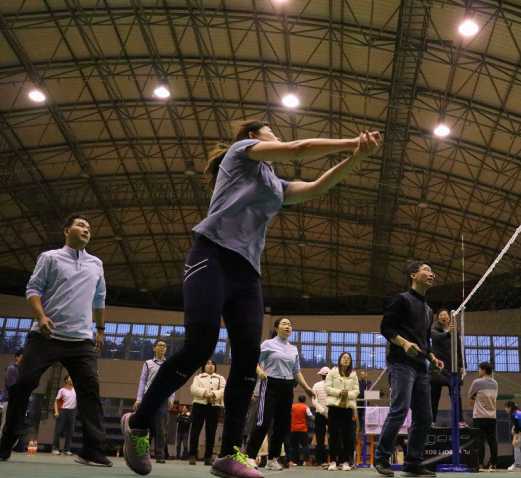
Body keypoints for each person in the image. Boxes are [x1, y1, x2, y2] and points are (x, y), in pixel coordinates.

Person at [120, 121, 381, 478]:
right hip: (210, 256)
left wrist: (357, 157)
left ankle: (229, 454)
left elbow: (317, 187)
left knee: (247, 361)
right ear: (253, 137)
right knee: (199, 346)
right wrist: (352, 141)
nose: (278, 135)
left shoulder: (277, 185)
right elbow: (297, 149)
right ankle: (138, 424)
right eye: (272, 131)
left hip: (247, 273)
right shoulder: (240, 153)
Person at [0, 214, 111, 467]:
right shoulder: (49, 257)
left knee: (90, 390)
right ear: (66, 230)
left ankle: (92, 450)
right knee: (23, 383)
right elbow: (33, 289)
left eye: (89, 227)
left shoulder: (96, 264)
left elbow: (99, 298)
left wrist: (100, 329)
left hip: (81, 340)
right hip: (45, 336)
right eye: (81, 225)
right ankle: (7, 439)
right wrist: (41, 316)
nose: (86, 230)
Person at [373, 260, 444, 478]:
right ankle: (382, 458)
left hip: (421, 367)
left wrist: (432, 357)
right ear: (413, 275)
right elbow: (385, 327)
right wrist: (404, 343)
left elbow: (425, 341)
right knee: (400, 409)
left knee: (425, 416)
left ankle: (412, 463)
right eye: (426, 270)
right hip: (400, 363)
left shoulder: (429, 310)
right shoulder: (401, 299)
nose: (431, 274)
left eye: (432, 271)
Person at [245, 317, 316, 471]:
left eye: (289, 325)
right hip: (270, 384)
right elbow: (253, 361)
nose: (287, 326)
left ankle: (273, 459)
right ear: (276, 328)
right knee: (263, 422)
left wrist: (306, 388)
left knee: (282, 425)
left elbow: (296, 371)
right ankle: (250, 456)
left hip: (287, 386)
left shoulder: (293, 349)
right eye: (284, 324)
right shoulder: (268, 344)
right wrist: (259, 372)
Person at [134, 339, 175, 464]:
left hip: (162, 399)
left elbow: (172, 382)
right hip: (148, 398)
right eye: (160, 345)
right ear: (154, 348)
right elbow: (143, 380)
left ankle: (160, 454)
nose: (162, 347)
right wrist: (139, 398)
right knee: (145, 427)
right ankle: (142, 453)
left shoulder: (169, 364)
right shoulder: (148, 363)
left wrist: (171, 398)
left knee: (161, 428)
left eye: (164, 346)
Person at [429, 308, 464, 426]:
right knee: (434, 397)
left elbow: (459, 349)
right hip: (437, 367)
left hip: (452, 367)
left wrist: (462, 365)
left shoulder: (455, 330)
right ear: (438, 318)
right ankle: (432, 420)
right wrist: (448, 333)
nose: (443, 316)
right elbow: (434, 337)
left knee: (456, 397)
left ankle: (460, 420)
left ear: (449, 317)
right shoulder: (434, 328)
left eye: (445, 315)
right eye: (441, 315)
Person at [325, 351, 359, 471]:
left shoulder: (353, 374)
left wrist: (348, 394)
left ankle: (345, 462)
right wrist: (339, 392)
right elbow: (327, 388)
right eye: (344, 357)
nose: (346, 359)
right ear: (340, 359)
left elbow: (356, 391)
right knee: (334, 435)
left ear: (350, 361)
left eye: (348, 358)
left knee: (347, 436)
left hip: (347, 409)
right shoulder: (332, 372)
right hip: (334, 408)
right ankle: (333, 461)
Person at [189, 358, 225, 465]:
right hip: (199, 406)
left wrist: (213, 394)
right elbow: (193, 388)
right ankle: (192, 455)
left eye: (212, 364)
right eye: (208, 363)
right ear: (204, 366)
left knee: (211, 433)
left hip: (214, 407)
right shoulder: (198, 377)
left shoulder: (220, 378)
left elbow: (223, 390)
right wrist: (205, 394)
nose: (210, 365)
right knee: (195, 431)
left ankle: (208, 457)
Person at [468, 361, 498, 471]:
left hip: (479, 416)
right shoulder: (495, 383)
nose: (478, 371)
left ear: (484, 371)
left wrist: (475, 403)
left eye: (479, 369)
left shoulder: (477, 382)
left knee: (480, 441)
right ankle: (493, 464)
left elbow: (470, 395)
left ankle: (480, 464)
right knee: (492, 441)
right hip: (492, 416)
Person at [0, 349, 23, 445]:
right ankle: (0, 442)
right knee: (5, 423)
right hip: (9, 399)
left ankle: (7, 443)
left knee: (12, 423)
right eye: (22, 357)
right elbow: (12, 385)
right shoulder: (12, 368)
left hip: (15, 400)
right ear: (17, 357)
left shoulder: (20, 369)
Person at [52, 375, 77, 455]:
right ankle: (55, 448)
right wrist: (56, 411)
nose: (72, 379)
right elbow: (56, 401)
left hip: (72, 411)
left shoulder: (75, 390)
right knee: (58, 430)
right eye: (70, 378)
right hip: (63, 411)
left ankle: (66, 450)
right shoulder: (62, 390)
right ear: (66, 381)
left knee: (70, 431)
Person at [312, 366, 331, 467]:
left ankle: (319, 460)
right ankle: (334, 460)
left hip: (320, 414)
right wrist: (328, 412)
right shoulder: (333, 385)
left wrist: (323, 412)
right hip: (331, 413)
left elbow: (314, 401)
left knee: (320, 439)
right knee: (334, 437)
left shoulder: (316, 385)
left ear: (321, 375)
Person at [290, 395, 313, 466]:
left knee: (294, 445)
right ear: (305, 400)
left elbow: (290, 415)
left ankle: (293, 461)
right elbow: (311, 417)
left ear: (298, 400)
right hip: (302, 429)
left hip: (293, 428)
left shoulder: (293, 406)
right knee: (305, 445)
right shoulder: (306, 407)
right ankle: (306, 461)